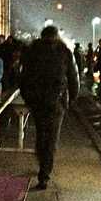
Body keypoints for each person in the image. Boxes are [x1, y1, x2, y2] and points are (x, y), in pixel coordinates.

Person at [20, 26, 79, 190]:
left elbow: (23, 77)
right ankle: (45, 173)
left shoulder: (32, 51)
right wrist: (71, 98)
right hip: (56, 102)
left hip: (37, 101)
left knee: (41, 133)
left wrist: (28, 98)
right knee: (52, 137)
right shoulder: (64, 51)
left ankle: (41, 161)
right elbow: (74, 77)